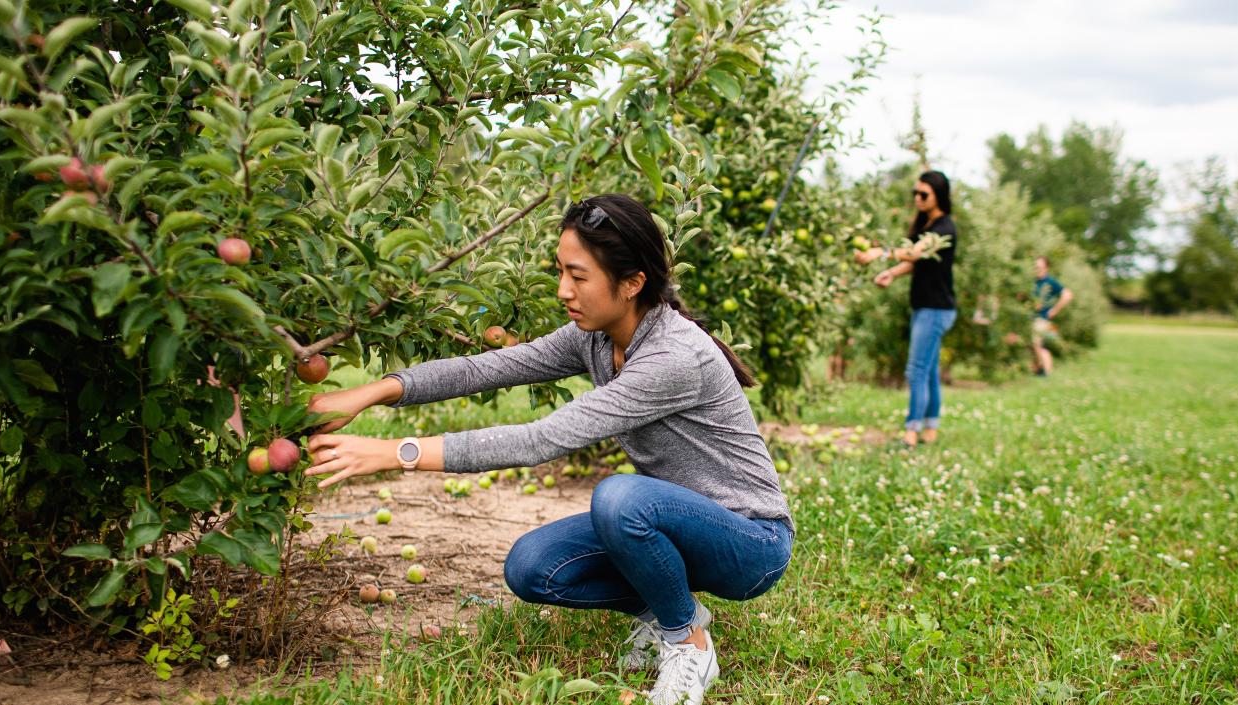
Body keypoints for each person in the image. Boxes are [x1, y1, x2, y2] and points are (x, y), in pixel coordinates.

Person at [301, 194, 794, 705]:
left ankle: (688, 644)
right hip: (679, 524)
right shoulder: (598, 339)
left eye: (578, 277)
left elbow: (541, 439)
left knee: (620, 500)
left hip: (750, 543)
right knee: (533, 567)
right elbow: (484, 369)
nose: (563, 290)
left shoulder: (673, 356)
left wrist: (393, 453)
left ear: (631, 284)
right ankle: (672, 609)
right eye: (561, 272)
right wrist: (373, 391)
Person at [854, 170, 958, 446]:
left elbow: (916, 252)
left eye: (924, 194)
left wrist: (881, 253)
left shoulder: (944, 228)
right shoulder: (928, 226)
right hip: (927, 306)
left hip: (935, 309)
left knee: (916, 370)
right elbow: (915, 262)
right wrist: (892, 273)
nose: (918, 198)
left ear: (939, 195)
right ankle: (930, 430)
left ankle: (911, 433)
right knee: (929, 370)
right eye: (915, 193)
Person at [1030, 256, 1073, 377]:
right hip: (1030, 319)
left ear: (1046, 268)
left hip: (1043, 319)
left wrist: (1055, 310)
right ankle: (1043, 370)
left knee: (1036, 343)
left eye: (1040, 267)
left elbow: (1067, 295)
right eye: (1035, 267)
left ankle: (1042, 372)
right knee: (1034, 346)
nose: (1037, 270)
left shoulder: (1050, 282)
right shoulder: (1032, 282)